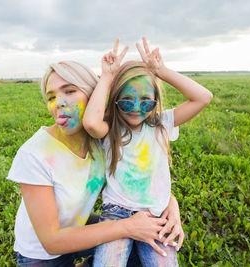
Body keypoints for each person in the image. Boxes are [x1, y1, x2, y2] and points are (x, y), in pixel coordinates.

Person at [7, 59, 185, 267]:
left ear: (94, 95)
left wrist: (170, 204)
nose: (59, 103)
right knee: (131, 232)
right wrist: (127, 227)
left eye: (70, 91)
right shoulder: (34, 154)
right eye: (51, 97)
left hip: (77, 227)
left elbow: (137, 177)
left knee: (143, 245)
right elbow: (52, 242)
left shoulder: (103, 139)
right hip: (42, 255)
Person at [83, 37, 213, 266]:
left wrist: (160, 71)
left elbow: (203, 97)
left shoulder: (161, 124)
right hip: (116, 213)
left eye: (145, 101)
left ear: (156, 100)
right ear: (114, 101)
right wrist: (107, 77)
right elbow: (92, 123)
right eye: (126, 101)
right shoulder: (111, 128)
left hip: (157, 214)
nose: (135, 108)